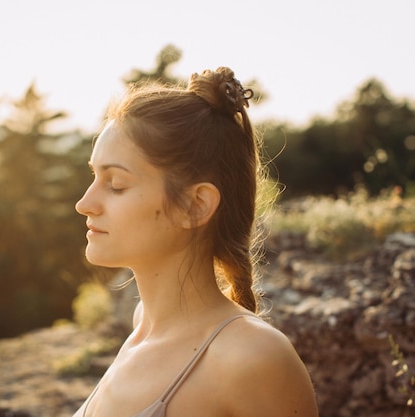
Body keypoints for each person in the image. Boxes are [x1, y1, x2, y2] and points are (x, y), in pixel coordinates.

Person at [73, 67, 318, 417]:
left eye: (116, 185)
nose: (84, 203)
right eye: (94, 177)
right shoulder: (142, 324)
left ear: (195, 205)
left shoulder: (253, 358)